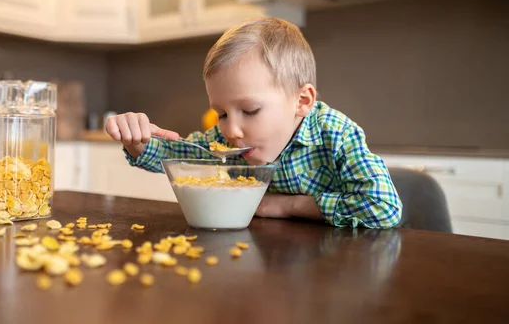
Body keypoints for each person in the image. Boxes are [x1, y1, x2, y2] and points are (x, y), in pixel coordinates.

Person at [105, 17, 402, 228]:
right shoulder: (225, 142)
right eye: (222, 114)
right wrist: (137, 142)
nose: (231, 130)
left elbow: (383, 208)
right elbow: (177, 155)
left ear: (302, 101)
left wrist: (289, 206)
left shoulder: (335, 134)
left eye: (250, 111)